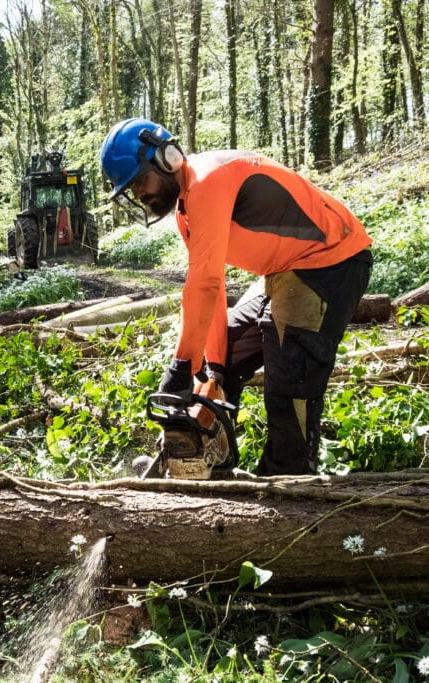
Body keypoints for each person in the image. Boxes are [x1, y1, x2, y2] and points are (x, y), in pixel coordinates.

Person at [99, 117, 372, 476]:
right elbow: (209, 289)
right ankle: (210, 457)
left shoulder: (208, 180)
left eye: (139, 181)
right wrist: (205, 369)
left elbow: (205, 282)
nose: (139, 194)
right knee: (223, 355)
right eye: (131, 189)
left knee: (289, 380)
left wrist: (181, 365)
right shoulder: (187, 210)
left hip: (331, 262)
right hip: (282, 269)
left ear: (165, 159)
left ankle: (287, 480)